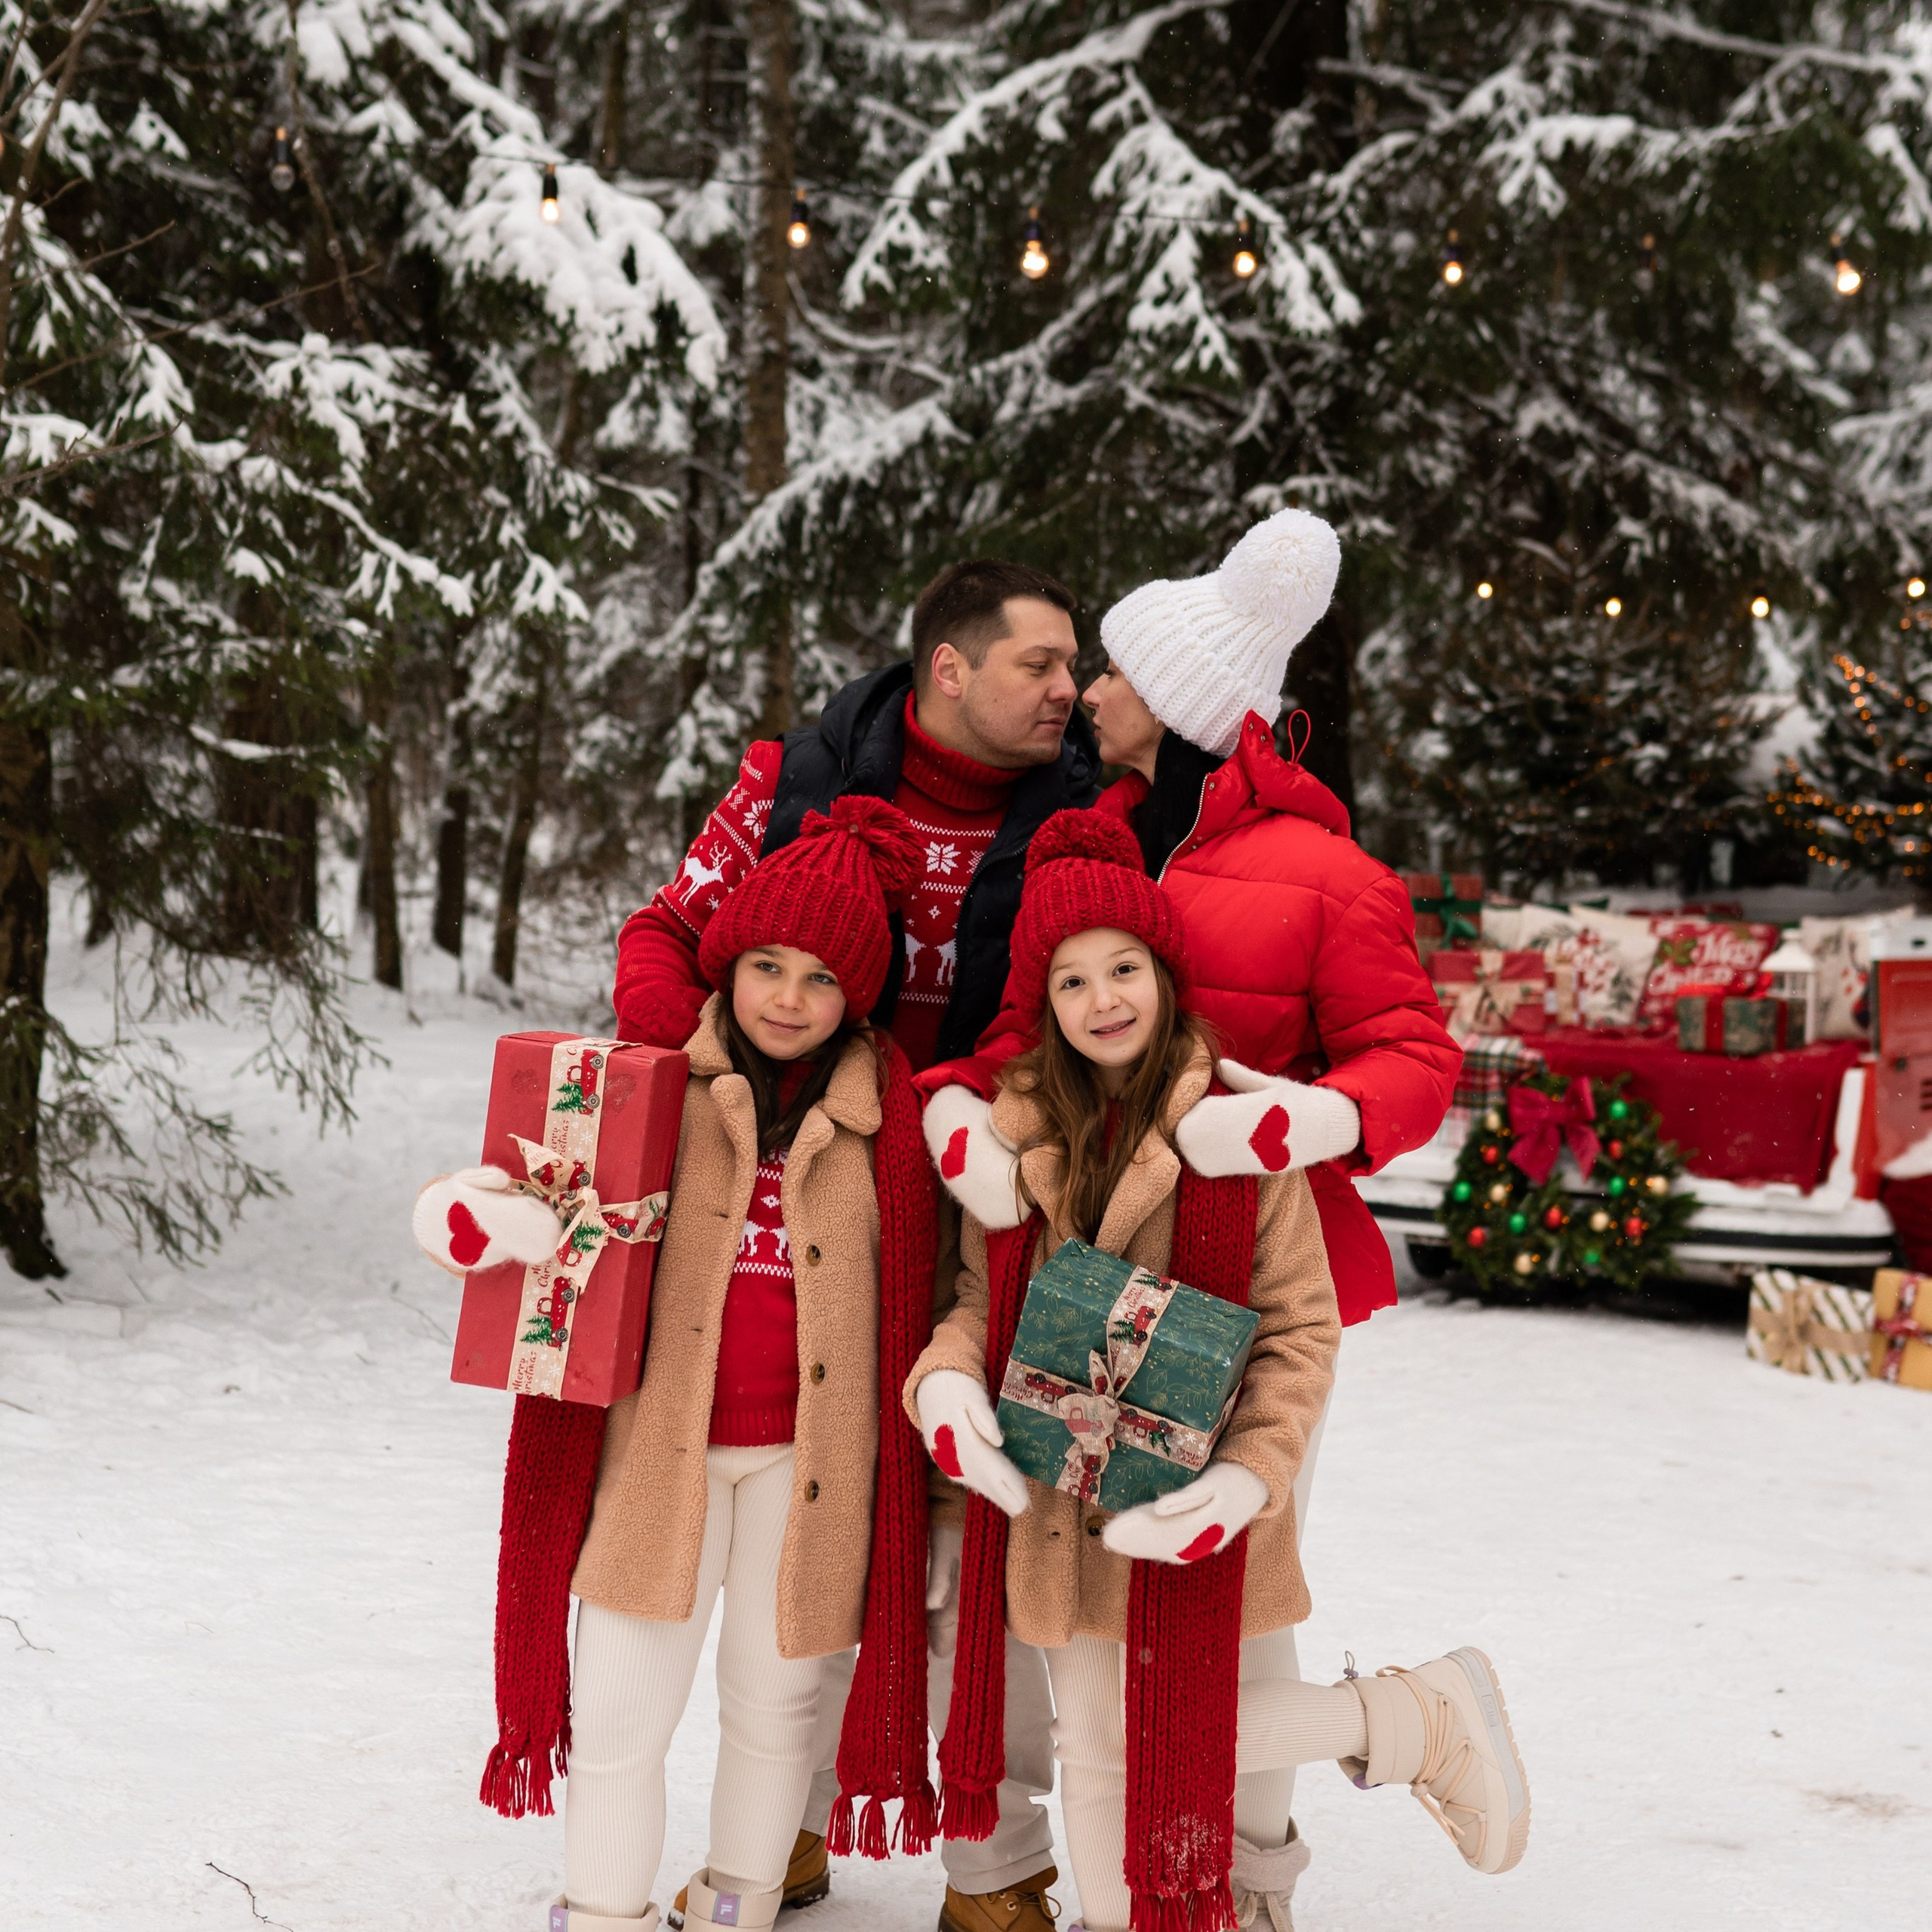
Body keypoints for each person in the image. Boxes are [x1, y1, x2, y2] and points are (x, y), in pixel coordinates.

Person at [918, 507, 1462, 1926]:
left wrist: (1294, 1119)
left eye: (1110, 668)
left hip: (1261, 1281)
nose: (1084, 690)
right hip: (1080, 1280)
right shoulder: (1076, 846)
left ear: (1181, 699)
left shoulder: (1325, 873)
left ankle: (1257, 1877)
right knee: (1086, 1589)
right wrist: (955, 1114)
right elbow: (1018, 1038)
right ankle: (1127, 1854)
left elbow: (1415, 1062)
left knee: (1239, 1578)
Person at [610, 559, 1099, 1932]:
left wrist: (960, 1122)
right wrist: (715, 1083)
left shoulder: (1080, 819)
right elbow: (665, 938)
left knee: (973, 1527)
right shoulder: (790, 786)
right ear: (950, 666)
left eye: (1073, 668)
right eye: (1041, 664)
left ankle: (993, 1862)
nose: (1070, 690)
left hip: (996, 1200)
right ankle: (797, 1818)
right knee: (807, 1505)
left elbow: (1081, 1004)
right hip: (812, 1192)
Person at [419, 798, 943, 1931]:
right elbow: (535, 1199)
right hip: (658, 1457)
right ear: (729, 963)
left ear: (857, 994)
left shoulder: (892, 1123)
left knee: (775, 1705)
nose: (789, 999)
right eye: (767, 965)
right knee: (619, 1710)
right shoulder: (649, 1083)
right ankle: (602, 1911)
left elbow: (933, 1291)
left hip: (809, 1471)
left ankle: (737, 1906)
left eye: (819, 977)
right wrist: (467, 1217)